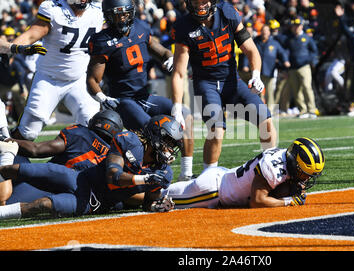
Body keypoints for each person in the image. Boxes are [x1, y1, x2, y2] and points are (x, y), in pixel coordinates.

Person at [87, 0, 194, 181]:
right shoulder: (102, 40)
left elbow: (161, 51)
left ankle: (187, 173)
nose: (123, 17)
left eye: (126, 13)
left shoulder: (141, 28)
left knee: (185, 113)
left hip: (145, 96)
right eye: (118, 14)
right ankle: (159, 178)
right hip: (122, 100)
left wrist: (169, 58)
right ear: (109, 16)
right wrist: (102, 97)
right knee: (155, 131)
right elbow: (92, 80)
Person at [0, 115, 182, 219]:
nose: (169, 149)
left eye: (172, 145)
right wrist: (144, 178)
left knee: (45, 204)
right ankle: (3, 165)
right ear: (155, 135)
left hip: (94, 202)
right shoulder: (129, 142)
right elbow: (113, 176)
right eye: (167, 141)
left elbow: (148, 202)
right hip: (81, 179)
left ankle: (2, 214)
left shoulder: (163, 171)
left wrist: (157, 206)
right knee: (32, 170)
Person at [171, 0, 277, 171]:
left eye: (204, 1)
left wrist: (256, 74)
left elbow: (250, 49)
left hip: (232, 81)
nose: (200, 6)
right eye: (196, 2)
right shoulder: (184, 26)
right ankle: (208, 177)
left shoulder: (228, 13)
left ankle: (271, 168)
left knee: (266, 120)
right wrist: (176, 105)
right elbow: (178, 72)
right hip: (206, 84)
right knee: (216, 130)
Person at [10, 0, 103, 142]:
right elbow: (31, 35)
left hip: (79, 80)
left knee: (94, 123)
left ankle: (81, 160)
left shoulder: (98, 10)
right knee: (28, 132)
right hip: (48, 79)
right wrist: (10, 49)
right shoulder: (53, 9)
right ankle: (8, 156)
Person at [0, 110, 123, 205]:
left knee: (6, 201)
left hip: (41, 184)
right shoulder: (113, 155)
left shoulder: (81, 133)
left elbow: (36, 150)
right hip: (69, 194)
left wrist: (6, 139)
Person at [160, 137, 324, 209]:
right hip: (212, 191)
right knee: (160, 197)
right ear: (295, 163)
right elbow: (258, 201)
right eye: (304, 174)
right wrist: (289, 201)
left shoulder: (284, 157)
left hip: (223, 178)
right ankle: (136, 190)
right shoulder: (274, 169)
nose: (307, 179)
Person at [283, 16, 318, 119]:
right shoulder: (290, 39)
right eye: (294, 26)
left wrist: (309, 60)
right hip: (292, 68)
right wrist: (286, 61)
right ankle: (303, 110)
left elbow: (314, 51)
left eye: (298, 26)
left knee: (307, 87)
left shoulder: (307, 38)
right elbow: (285, 51)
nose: (296, 28)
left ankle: (311, 110)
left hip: (304, 67)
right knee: (296, 90)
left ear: (302, 26)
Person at [254, 24, 290, 113]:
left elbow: (282, 53)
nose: (264, 32)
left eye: (266, 30)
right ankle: (259, 111)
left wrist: (285, 61)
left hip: (269, 70)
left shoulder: (274, 43)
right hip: (258, 71)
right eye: (263, 30)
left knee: (269, 92)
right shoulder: (256, 41)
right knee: (258, 92)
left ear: (269, 32)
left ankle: (270, 111)